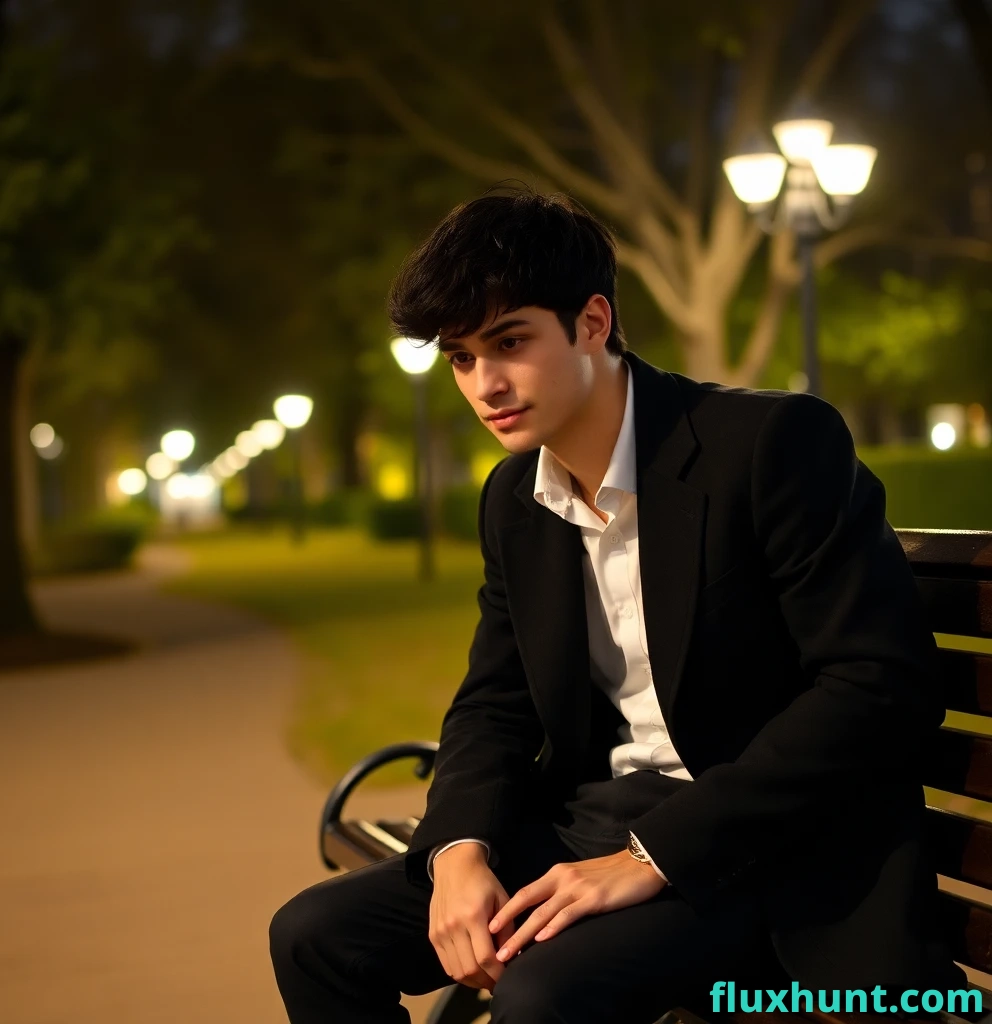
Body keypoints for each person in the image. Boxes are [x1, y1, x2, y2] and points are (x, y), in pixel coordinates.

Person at [269, 186, 965, 1024]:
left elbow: (878, 686)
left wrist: (654, 855)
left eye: (510, 342)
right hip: (588, 829)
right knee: (313, 934)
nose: (485, 383)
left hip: (763, 849)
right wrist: (457, 850)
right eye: (460, 357)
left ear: (592, 322)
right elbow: (495, 703)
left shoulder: (769, 447)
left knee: (543, 992)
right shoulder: (515, 500)